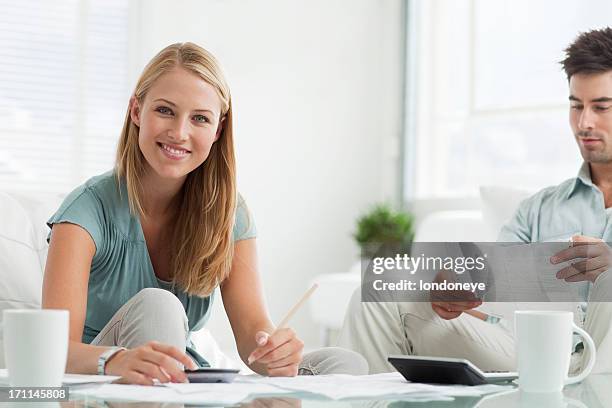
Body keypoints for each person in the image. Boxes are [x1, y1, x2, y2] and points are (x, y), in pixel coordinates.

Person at [42, 42, 367, 385]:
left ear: (218, 129)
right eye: (165, 110)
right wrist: (118, 360)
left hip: (186, 378)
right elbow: (53, 350)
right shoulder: (84, 212)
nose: (179, 132)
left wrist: (274, 352)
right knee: (159, 305)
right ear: (136, 111)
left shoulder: (230, 214)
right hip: (100, 380)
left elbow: (252, 337)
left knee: (346, 363)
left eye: (199, 118)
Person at [338, 27, 612, 374]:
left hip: (602, 355)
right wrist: (459, 296)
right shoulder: (539, 209)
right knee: (380, 291)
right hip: (534, 351)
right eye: (576, 106)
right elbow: (496, 304)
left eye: (601, 107)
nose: (584, 122)